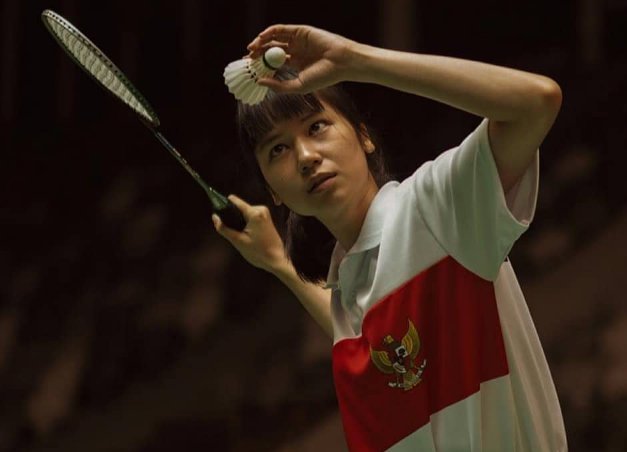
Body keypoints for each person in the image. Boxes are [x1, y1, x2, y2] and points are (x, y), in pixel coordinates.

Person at [213, 24, 566, 452]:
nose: (305, 157)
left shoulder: (436, 210)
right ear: (272, 191)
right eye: (278, 150)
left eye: (317, 126)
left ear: (364, 137)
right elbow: (378, 343)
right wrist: (279, 263)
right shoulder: (348, 287)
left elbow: (537, 101)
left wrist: (355, 60)